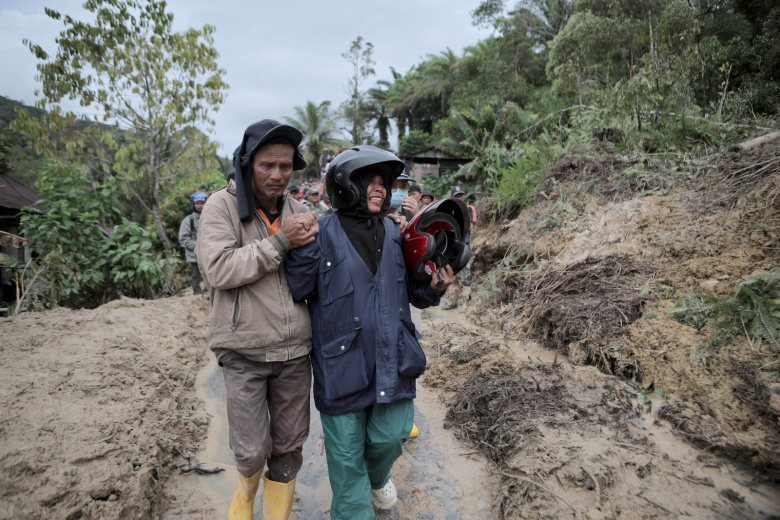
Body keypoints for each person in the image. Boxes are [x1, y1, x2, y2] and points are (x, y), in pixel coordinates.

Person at [284, 146, 454, 519]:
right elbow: (298, 288)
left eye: (383, 183)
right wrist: (296, 245)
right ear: (346, 184)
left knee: (391, 436)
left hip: (392, 360)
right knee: (347, 467)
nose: (380, 189)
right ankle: (356, 503)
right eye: (370, 182)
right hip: (340, 367)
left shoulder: (397, 235)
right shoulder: (319, 233)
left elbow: (414, 292)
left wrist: (435, 288)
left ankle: (377, 478)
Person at [195, 119, 319, 520]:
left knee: (289, 447)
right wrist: (282, 241)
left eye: (286, 166)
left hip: (295, 351)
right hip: (243, 349)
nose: (278, 175)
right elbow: (219, 269)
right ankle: (245, 494)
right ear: (247, 164)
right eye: (268, 165)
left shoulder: (300, 210)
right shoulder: (221, 206)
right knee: (250, 451)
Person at [179, 191, 207, 295]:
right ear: (193, 204)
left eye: (202, 203)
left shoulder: (211, 218)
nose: (200, 206)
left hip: (209, 252)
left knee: (210, 273)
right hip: (194, 254)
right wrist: (198, 246)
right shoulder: (188, 220)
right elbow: (183, 239)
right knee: (196, 275)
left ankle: (209, 291)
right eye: (197, 203)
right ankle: (197, 292)